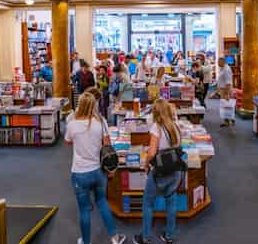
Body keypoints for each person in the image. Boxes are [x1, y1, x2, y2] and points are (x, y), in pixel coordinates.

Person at [65, 93, 126, 244]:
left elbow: (68, 142)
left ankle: (86, 242)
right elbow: (107, 145)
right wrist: (111, 170)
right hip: (99, 170)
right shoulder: (100, 122)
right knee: (102, 202)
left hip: (79, 172)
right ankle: (114, 237)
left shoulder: (72, 124)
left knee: (84, 210)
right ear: (94, 105)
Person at [133, 99, 183, 244]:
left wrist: (146, 165)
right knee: (171, 202)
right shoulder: (175, 125)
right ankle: (169, 236)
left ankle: (145, 237)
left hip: (160, 171)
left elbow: (152, 152)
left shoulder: (157, 127)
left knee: (148, 203)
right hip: (175, 170)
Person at [217, 57, 234, 127]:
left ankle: (228, 121)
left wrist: (227, 93)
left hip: (225, 89)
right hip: (222, 89)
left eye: (218, 62)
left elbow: (228, 83)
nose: (218, 63)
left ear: (222, 61)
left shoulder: (226, 69)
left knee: (227, 105)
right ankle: (227, 120)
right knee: (225, 106)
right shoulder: (222, 68)